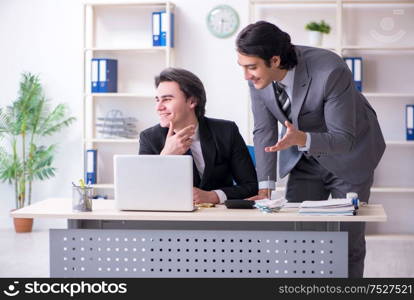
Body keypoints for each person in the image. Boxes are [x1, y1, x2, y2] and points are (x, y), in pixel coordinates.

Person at [236, 21, 385, 278]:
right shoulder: (257, 78)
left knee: (347, 241)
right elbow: (264, 130)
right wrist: (265, 186)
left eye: (251, 67)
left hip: (348, 154)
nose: (246, 76)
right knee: (299, 235)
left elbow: (343, 138)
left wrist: (301, 138)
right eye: (242, 67)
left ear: (274, 60)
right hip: (304, 156)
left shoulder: (330, 69)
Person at [139, 67, 258, 204]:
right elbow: (144, 191)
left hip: (219, 217)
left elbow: (251, 186)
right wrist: (166, 157)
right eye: (157, 100)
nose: (158, 107)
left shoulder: (226, 131)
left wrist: (214, 196)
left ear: (192, 101)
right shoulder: (149, 138)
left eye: (166, 99)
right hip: (173, 217)